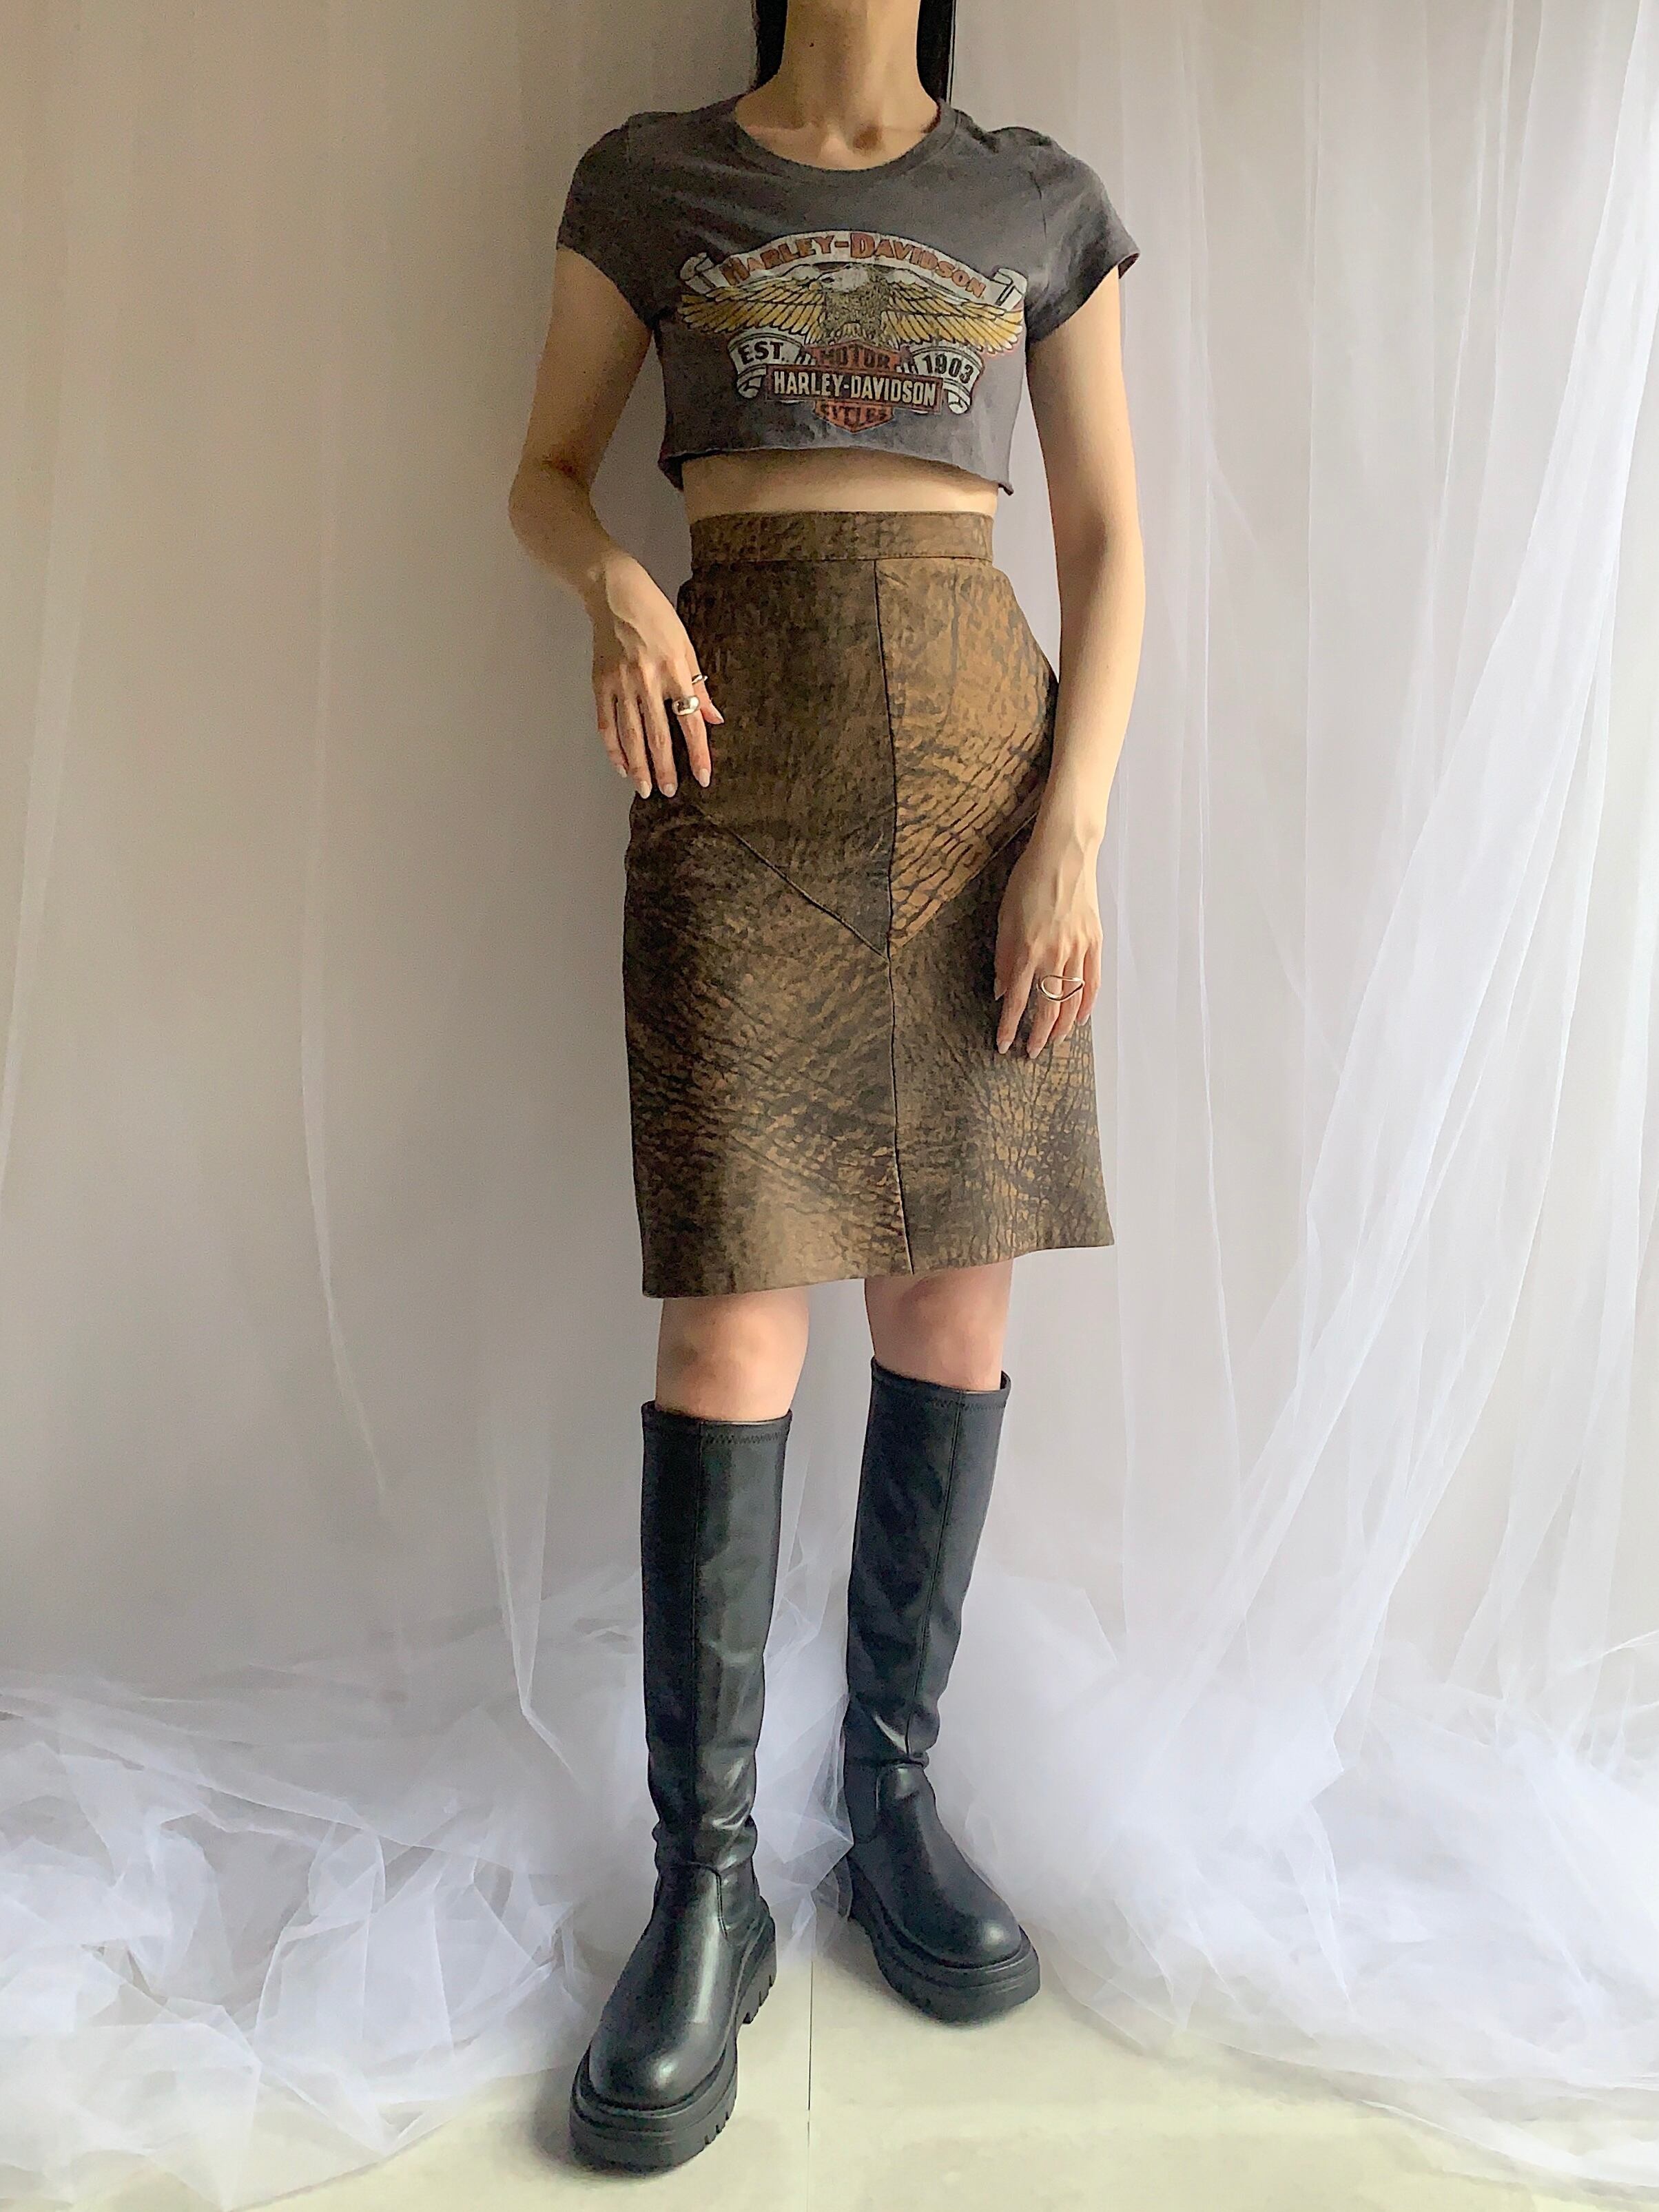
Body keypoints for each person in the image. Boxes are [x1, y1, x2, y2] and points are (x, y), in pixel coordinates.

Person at [507, 0, 1143, 2173]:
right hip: (736, 774)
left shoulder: (1037, 199)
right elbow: (540, 471)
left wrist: (1073, 831)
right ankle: (708, 1883)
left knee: (949, 1308)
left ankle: (889, 1803)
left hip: (983, 791)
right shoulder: (651, 174)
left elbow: (1110, 544)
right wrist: (611, 581)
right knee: (727, 1327)